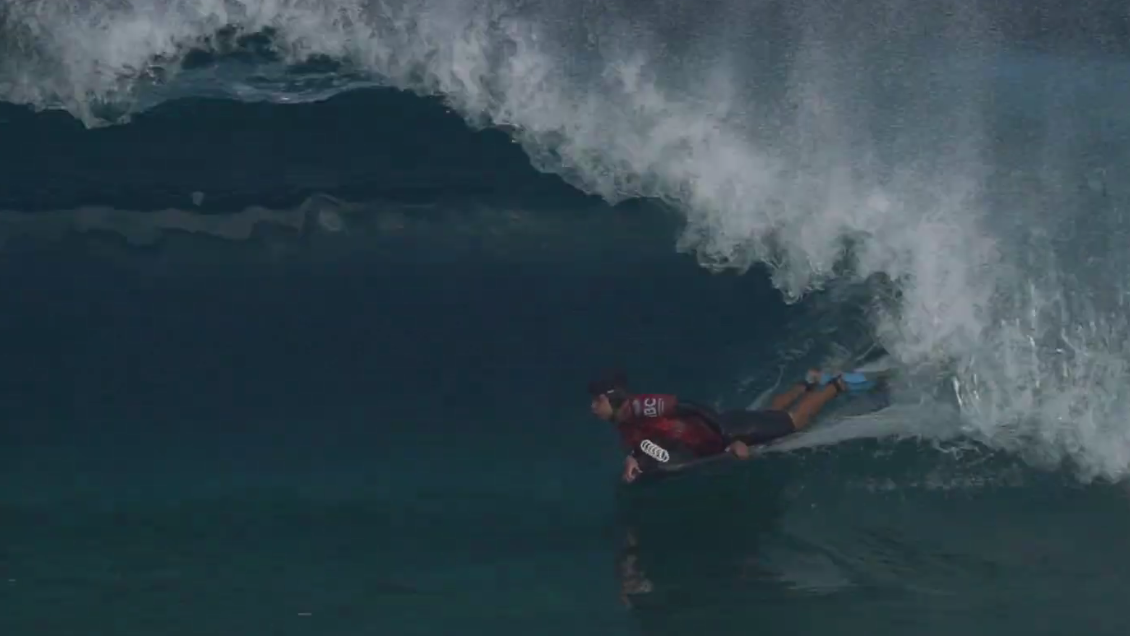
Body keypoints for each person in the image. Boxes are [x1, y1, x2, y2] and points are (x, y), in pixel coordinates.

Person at [588, 369, 848, 483]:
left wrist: (729, 440)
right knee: (770, 415)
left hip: (728, 429)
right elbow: (647, 444)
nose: (592, 407)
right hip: (712, 440)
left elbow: (691, 406)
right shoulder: (623, 424)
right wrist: (634, 459)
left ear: (613, 398)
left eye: (597, 400)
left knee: (794, 421)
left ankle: (838, 384)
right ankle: (807, 382)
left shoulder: (642, 407)